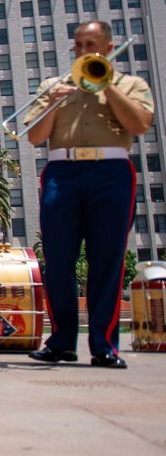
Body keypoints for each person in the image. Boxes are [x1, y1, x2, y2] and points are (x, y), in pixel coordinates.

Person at [26, 20, 153, 369]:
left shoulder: (131, 84)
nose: (84, 51)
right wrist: (51, 102)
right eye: (79, 45)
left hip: (111, 171)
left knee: (107, 261)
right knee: (58, 258)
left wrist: (107, 85)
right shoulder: (54, 85)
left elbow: (140, 124)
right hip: (62, 171)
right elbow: (35, 137)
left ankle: (104, 345)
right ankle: (62, 341)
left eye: (91, 45)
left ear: (108, 48)